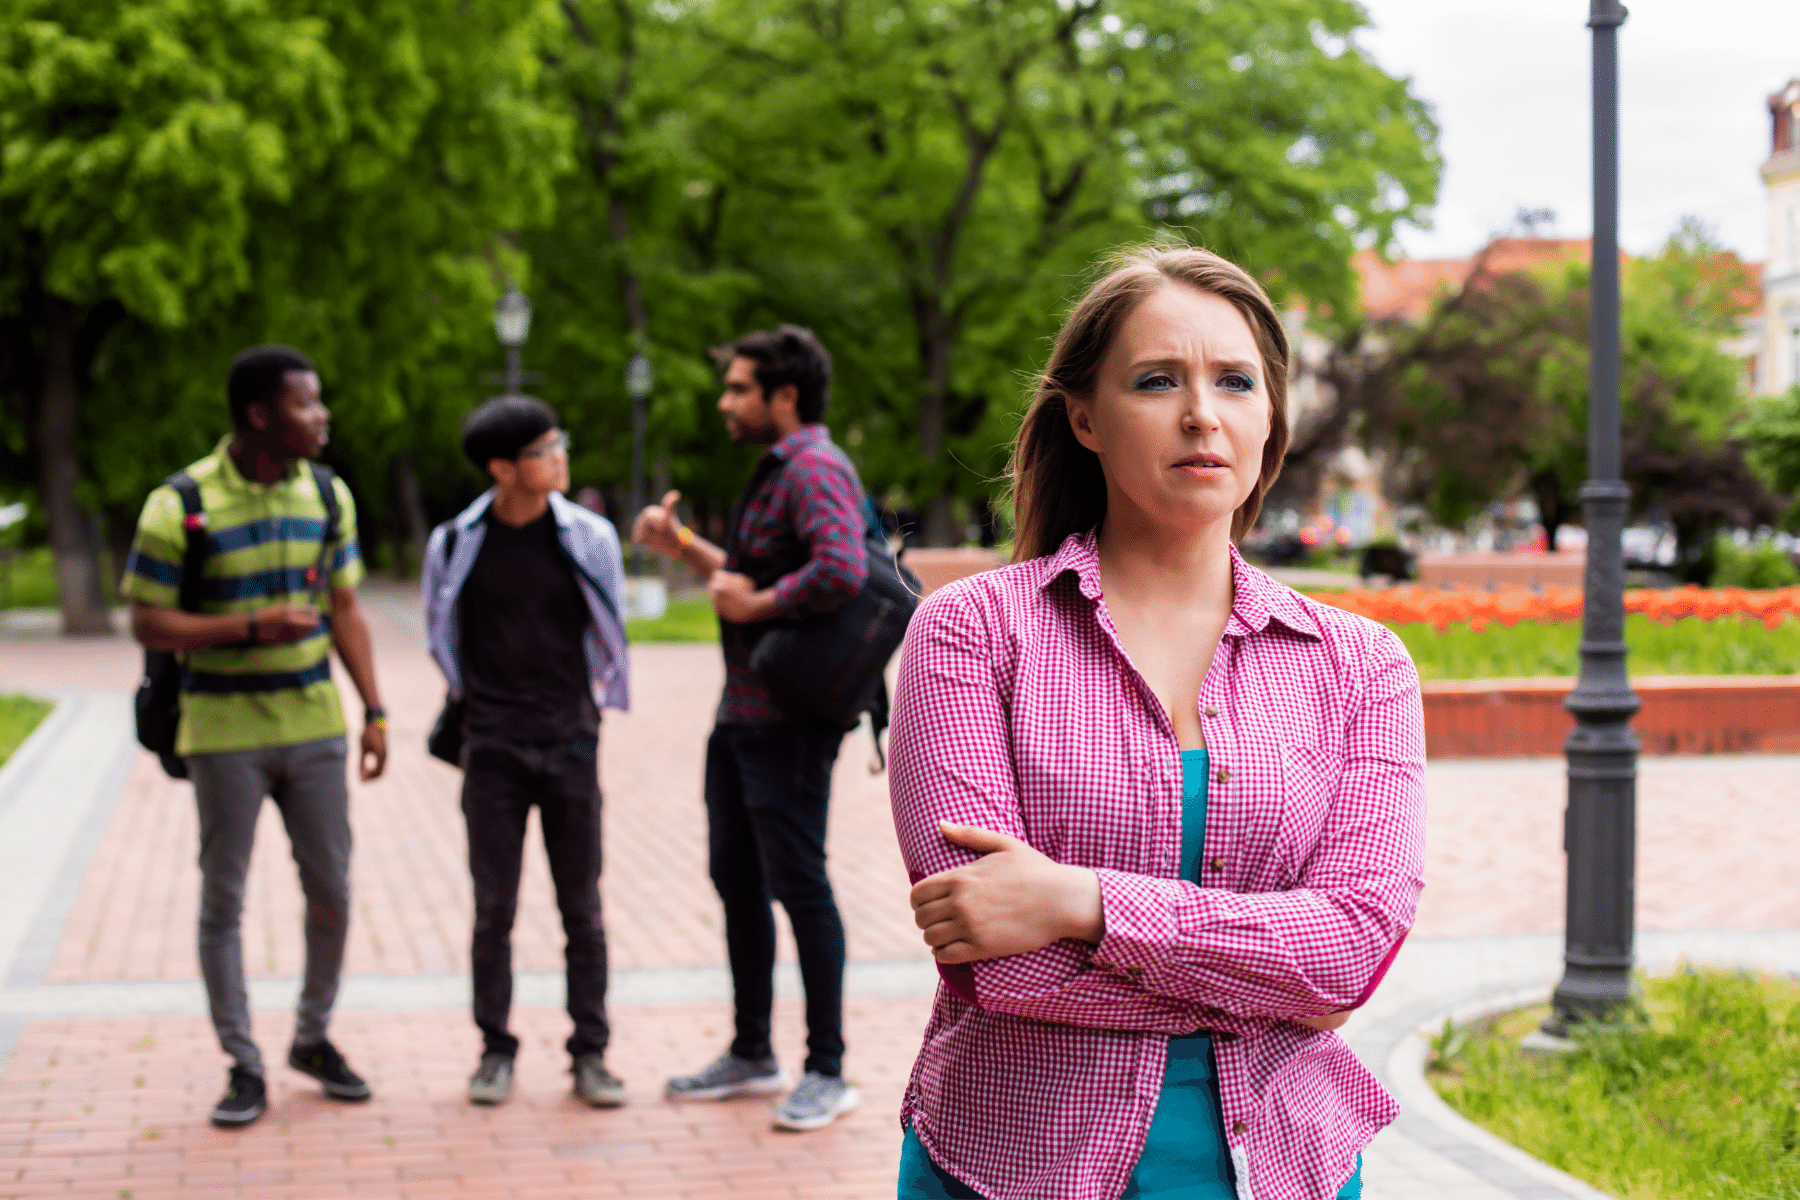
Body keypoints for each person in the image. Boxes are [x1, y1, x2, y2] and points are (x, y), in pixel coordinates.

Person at [887, 247, 1427, 1199]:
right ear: (1085, 418)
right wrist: (1271, 977)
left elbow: (1349, 953)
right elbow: (993, 964)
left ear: (1272, 423)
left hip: (1283, 1166)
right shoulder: (973, 632)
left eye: (1234, 382)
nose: (1201, 414)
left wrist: (1080, 903)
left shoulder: (1361, 668)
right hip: (1012, 1161)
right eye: (1155, 381)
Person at [123, 345, 388, 1129]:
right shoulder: (181, 505)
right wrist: (248, 626)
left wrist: (374, 711)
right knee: (224, 900)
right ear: (261, 414)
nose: (323, 416)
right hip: (222, 731)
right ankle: (242, 1062)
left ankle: (312, 1038)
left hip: (315, 725)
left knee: (333, 889)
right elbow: (145, 619)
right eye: (307, 404)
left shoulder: (328, 497)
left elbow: (346, 609)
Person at [632, 325, 867, 1132]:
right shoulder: (779, 472)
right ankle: (751, 1051)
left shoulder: (814, 465)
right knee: (737, 880)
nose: (726, 402)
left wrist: (761, 607)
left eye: (739, 388)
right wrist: (686, 545)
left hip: (789, 722)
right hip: (742, 714)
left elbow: (842, 566)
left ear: (784, 396)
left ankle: (828, 1069)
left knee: (799, 885)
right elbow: (749, 571)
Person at [421, 397, 630, 1109]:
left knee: (583, 909)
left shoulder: (589, 535)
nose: (561, 456)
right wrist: (479, 708)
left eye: (558, 442)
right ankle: (494, 1051)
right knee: (493, 909)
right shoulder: (455, 542)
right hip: (493, 749)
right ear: (502, 468)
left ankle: (591, 1054)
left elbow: (611, 628)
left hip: (572, 740)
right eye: (545, 449)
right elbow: (438, 633)